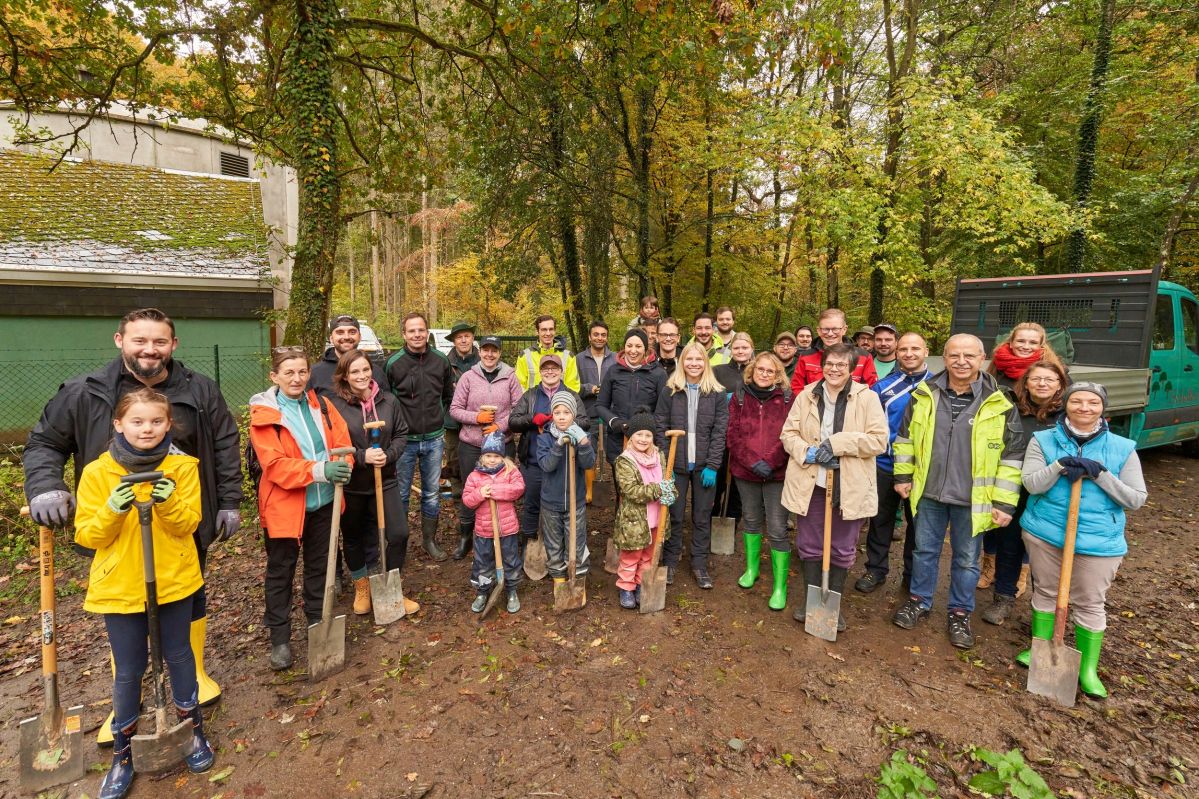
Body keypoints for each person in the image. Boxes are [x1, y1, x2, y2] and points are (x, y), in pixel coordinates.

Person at [23, 307, 238, 740]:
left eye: (159, 341)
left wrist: (230, 501)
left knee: (188, 598)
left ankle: (191, 674)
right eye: (140, 340)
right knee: (126, 608)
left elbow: (225, 443)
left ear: (173, 345)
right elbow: (45, 441)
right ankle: (130, 696)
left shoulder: (199, 390)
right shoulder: (87, 392)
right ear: (120, 340)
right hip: (116, 529)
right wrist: (46, 486)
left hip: (183, 523)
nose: (150, 350)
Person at [75, 388, 215, 798]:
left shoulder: (183, 467)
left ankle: (192, 733)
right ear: (118, 424)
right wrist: (113, 509)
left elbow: (189, 523)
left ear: (168, 424)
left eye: (156, 421)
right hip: (122, 585)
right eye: (137, 421)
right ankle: (123, 752)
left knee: (179, 655)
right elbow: (87, 533)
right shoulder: (98, 473)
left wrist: (168, 501)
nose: (147, 429)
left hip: (173, 579)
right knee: (129, 668)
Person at [891, 334, 1025, 650]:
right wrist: (902, 475)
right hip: (929, 492)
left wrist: (1004, 502)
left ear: (981, 358)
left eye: (969, 355)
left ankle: (960, 612)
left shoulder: (1000, 401)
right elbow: (905, 439)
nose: (961, 361)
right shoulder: (925, 394)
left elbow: (1012, 455)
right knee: (923, 551)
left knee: (966, 560)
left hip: (973, 498)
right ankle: (918, 601)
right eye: (954, 355)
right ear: (944, 358)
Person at [1017, 382, 1147, 698]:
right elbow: (1032, 484)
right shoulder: (1043, 440)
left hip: (1099, 541)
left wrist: (1101, 475)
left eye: (1092, 402)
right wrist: (1060, 466)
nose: (1084, 408)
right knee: (1046, 591)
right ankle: (1041, 648)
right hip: (1045, 532)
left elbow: (1135, 498)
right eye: (1077, 401)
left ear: (1103, 408)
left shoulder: (1122, 447)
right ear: (1067, 405)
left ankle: (1087, 668)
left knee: (1089, 601)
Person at [248, 346, 354, 670]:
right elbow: (276, 465)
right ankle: (279, 638)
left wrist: (345, 464)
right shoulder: (265, 416)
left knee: (319, 568)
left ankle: (316, 624)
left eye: (302, 371)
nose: (297, 378)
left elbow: (343, 443)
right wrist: (321, 470)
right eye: (289, 372)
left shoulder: (320, 405)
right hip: (285, 508)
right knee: (281, 572)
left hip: (323, 504)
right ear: (274, 376)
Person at [781, 344, 888, 631]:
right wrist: (810, 451)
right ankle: (811, 601)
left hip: (848, 483)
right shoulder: (807, 395)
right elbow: (788, 433)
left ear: (852, 368)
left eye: (842, 364)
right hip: (811, 482)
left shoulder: (866, 398)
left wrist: (837, 445)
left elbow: (879, 440)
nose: (835, 369)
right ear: (822, 365)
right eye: (830, 363)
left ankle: (833, 604)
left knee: (841, 547)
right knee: (809, 545)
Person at [326, 350, 417, 617]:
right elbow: (332, 442)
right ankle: (362, 585)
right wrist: (362, 456)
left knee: (399, 534)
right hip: (352, 483)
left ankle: (391, 587)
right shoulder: (335, 406)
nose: (362, 375)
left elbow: (401, 433)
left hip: (385, 479)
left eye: (365, 369)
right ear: (344, 375)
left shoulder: (388, 401)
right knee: (353, 536)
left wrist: (387, 456)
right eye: (354, 371)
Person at [979, 359, 1069, 625]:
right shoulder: (1012, 410)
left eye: (1049, 380)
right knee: (1010, 545)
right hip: (1014, 489)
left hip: (1053, 493)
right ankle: (1003, 599)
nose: (1042, 384)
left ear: (1060, 385)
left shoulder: (1067, 415)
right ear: (1026, 383)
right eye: (1036, 379)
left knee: (1048, 551)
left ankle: (1046, 608)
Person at [855, 332, 932, 595]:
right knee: (880, 521)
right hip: (885, 465)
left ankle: (912, 576)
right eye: (904, 349)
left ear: (925, 351)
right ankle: (875, 569)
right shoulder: (882, 387)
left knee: (918, 526)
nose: (909, 354)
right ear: (896, 353)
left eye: (915, 348)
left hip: (923, 470)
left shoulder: (937, 386)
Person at [655, 342, 730, 588]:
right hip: (676, 466)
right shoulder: (670, 391)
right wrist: (665, 464)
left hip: (704, 466)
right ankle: (670, 560)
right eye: (689, 359)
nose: (694, 364)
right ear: (682, 361)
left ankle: (699, 563)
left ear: (705, 363)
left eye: (699, 359)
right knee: (674, 515)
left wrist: (713, 465)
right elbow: (660, 426)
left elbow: (720, 431)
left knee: (701, 515)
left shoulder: (717, 393)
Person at [385, 313, 455, 561]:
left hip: (435, 438)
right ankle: (398, 545)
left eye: (421, 330)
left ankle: (429, 540)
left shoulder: (440, 361)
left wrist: (438, 417)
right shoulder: (393, 363)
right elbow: (385, 402)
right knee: (401, 494)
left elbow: (448, 394)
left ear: (427, 332)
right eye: (411, 331)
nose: (417, 335)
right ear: (404, 334)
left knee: (432, 493)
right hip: (404, 441)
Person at [727, 353, 794, 610]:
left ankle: (780, 586)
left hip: (777, 474)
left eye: (770, 371)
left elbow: (792, 432)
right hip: (746, 472)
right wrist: (752, 461)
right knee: (751, 520)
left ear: (778, 375)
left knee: (777, 527)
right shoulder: (740, 397)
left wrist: (772, 461)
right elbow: (732, 433)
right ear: (752, 370)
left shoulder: (788, 399)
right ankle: (751, 568)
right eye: (760, 369)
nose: (764, 374)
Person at [448, 335, 523, 559]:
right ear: (479, 352)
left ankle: (505, 533)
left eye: (495, 351)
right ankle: (466, 536)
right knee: (471, 489)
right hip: (472, 444)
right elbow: (455, 409)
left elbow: (519, 409)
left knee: (503, 488)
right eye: (486, 350)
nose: (490, 354)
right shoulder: (468, 378)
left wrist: (499, 426)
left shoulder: (509, 377)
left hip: (503, 445)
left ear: (500, 353)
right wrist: (477, 418)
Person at [508, 355, 590, 552]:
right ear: (540, 371)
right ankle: (530, 541)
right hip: (534, 459)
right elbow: (513, 422)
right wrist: (532, 419)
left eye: (554, 368)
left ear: (561, 372)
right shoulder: (531, 395)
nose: (550, 372)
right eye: (546, 368)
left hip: (565, 462)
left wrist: (563, 423)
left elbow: (585, 421)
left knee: (560, 505)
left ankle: (559, 543)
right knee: (532, 502)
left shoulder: (571, 395)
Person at [612, 409, 676, 609]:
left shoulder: (660, 456)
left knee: (648, 555)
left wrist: (671, 492)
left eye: (648, 435)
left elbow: (668, 482)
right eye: (639, 434)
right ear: (631, 437)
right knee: (632, 555)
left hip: (657, 516)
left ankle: (641, 583)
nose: (643, 439)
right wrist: (659, 489)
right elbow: (630, 490)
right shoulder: (624, 461)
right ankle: (626, 587)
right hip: (635, 519)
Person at [535, 391, 596, 585]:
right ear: (552, 414)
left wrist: (584, 443)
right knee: (553, 543)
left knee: (576, 541)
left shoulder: (582, 436)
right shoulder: (545, 438)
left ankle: (577, 576)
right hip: (551, 502)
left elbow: (588, 464)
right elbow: (546, 465)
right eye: (557, 412)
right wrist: (559, 446)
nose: (561, 416)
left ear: (574, 415)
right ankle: (559, 577)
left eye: (566, 412)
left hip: (575, 501)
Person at [462, 431, 526, 614]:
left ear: (502, 456)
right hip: (484, 530)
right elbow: (467, 500)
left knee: (511, 559)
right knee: (482, 562)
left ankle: (511, 589)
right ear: (482, 456)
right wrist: (480, 494)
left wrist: (495, 490)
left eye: (496, 456)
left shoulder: (510, 471)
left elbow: (518, 488)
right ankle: (483, 591)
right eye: (488, 456)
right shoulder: (475, 477)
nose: (492, 460)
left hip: (507, 529)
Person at [597, 329, 667, 487]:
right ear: (624, 347)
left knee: (645, 489)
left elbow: (663, 410)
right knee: (623, 489)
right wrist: (615, 422)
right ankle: (621, 512)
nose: (633, 350)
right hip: (618, 439)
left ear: (645, 349)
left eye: (638, 346)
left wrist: (647, 428)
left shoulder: (658, 374)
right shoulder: (613, 371)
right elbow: (600, 405)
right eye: (629, 345)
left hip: (645, 442)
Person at [791, 308, 878, 390]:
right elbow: (797, 387)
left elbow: (872, 388)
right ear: (819, 330)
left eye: (835, 329)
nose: (830, 334)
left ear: (844, 329)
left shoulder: (863, 357)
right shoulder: (806, 357)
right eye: (825, 329)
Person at [578, 321, 617, 503]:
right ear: (589, 336)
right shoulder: (579, 359)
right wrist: (589, 388)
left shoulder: (616, 358)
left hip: (610, 413)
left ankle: (619, 491)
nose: (599, 338)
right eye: (596, 334)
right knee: (588, 453)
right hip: (588, 413)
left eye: (603, 335)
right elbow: (572, 385)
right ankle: (589, 492)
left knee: (613, 454)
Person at [443, 320, 480, 498]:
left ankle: (478, 494)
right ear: (454, 341)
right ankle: (459, 495)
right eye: (459, 337)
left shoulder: (483, 360)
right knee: (453, 458)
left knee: (478, 457)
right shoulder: (445, 363)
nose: (464, 340)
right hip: (453, 420)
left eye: (467, 336)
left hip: (478, 419)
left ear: (472, 338)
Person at [308, 314, 387, 395]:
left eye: (352, 332)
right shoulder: (315, 374)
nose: (346, 337)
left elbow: (387, 403)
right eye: (340, 332)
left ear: (359, 337)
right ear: (331, 338)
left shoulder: (376, 373)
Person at [988, 322, 1066, 390]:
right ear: (1011, 343)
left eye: (1033, 343)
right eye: (1021, 341)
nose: (1026, 347)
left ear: (1041, 346)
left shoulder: (1054, 369)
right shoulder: (998, 364)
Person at [515, 315, 581, 392]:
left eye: (551, 329)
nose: (548, 333)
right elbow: (519, 386)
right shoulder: (525, 356)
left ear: (555, 331)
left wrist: (562, 402)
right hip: (532, 403)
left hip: (561, 402)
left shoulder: (568, 356)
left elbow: (573, 387)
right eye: (544, 330)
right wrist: (528, 403)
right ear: (537, 332)